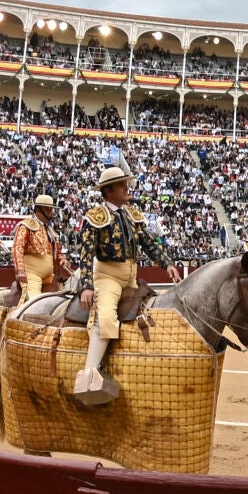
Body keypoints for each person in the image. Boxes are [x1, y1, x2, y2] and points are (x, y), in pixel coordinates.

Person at [75, 166, 177, 398]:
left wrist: (167, 264)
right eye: (122, 185)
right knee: (106, 318)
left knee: (149, 313)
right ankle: (89, 375)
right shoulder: (95, 217)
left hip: (130, 276)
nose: (126, 188)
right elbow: (86, 253)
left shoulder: (131, 215)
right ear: (108, 191)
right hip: (108, 276)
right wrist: (87, 286)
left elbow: (149, 244)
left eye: (126, 183)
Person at [12, 194, 68, 301]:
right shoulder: (26, 226)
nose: (51, 213)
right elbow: (17, 248)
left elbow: (56, 250)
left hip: (50, 276)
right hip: (32, 275)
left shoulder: (50, 230)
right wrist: (20, 271)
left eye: (51, 210)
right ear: (38, 210)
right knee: (35, 302)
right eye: (48, 210)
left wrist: (62, 259)